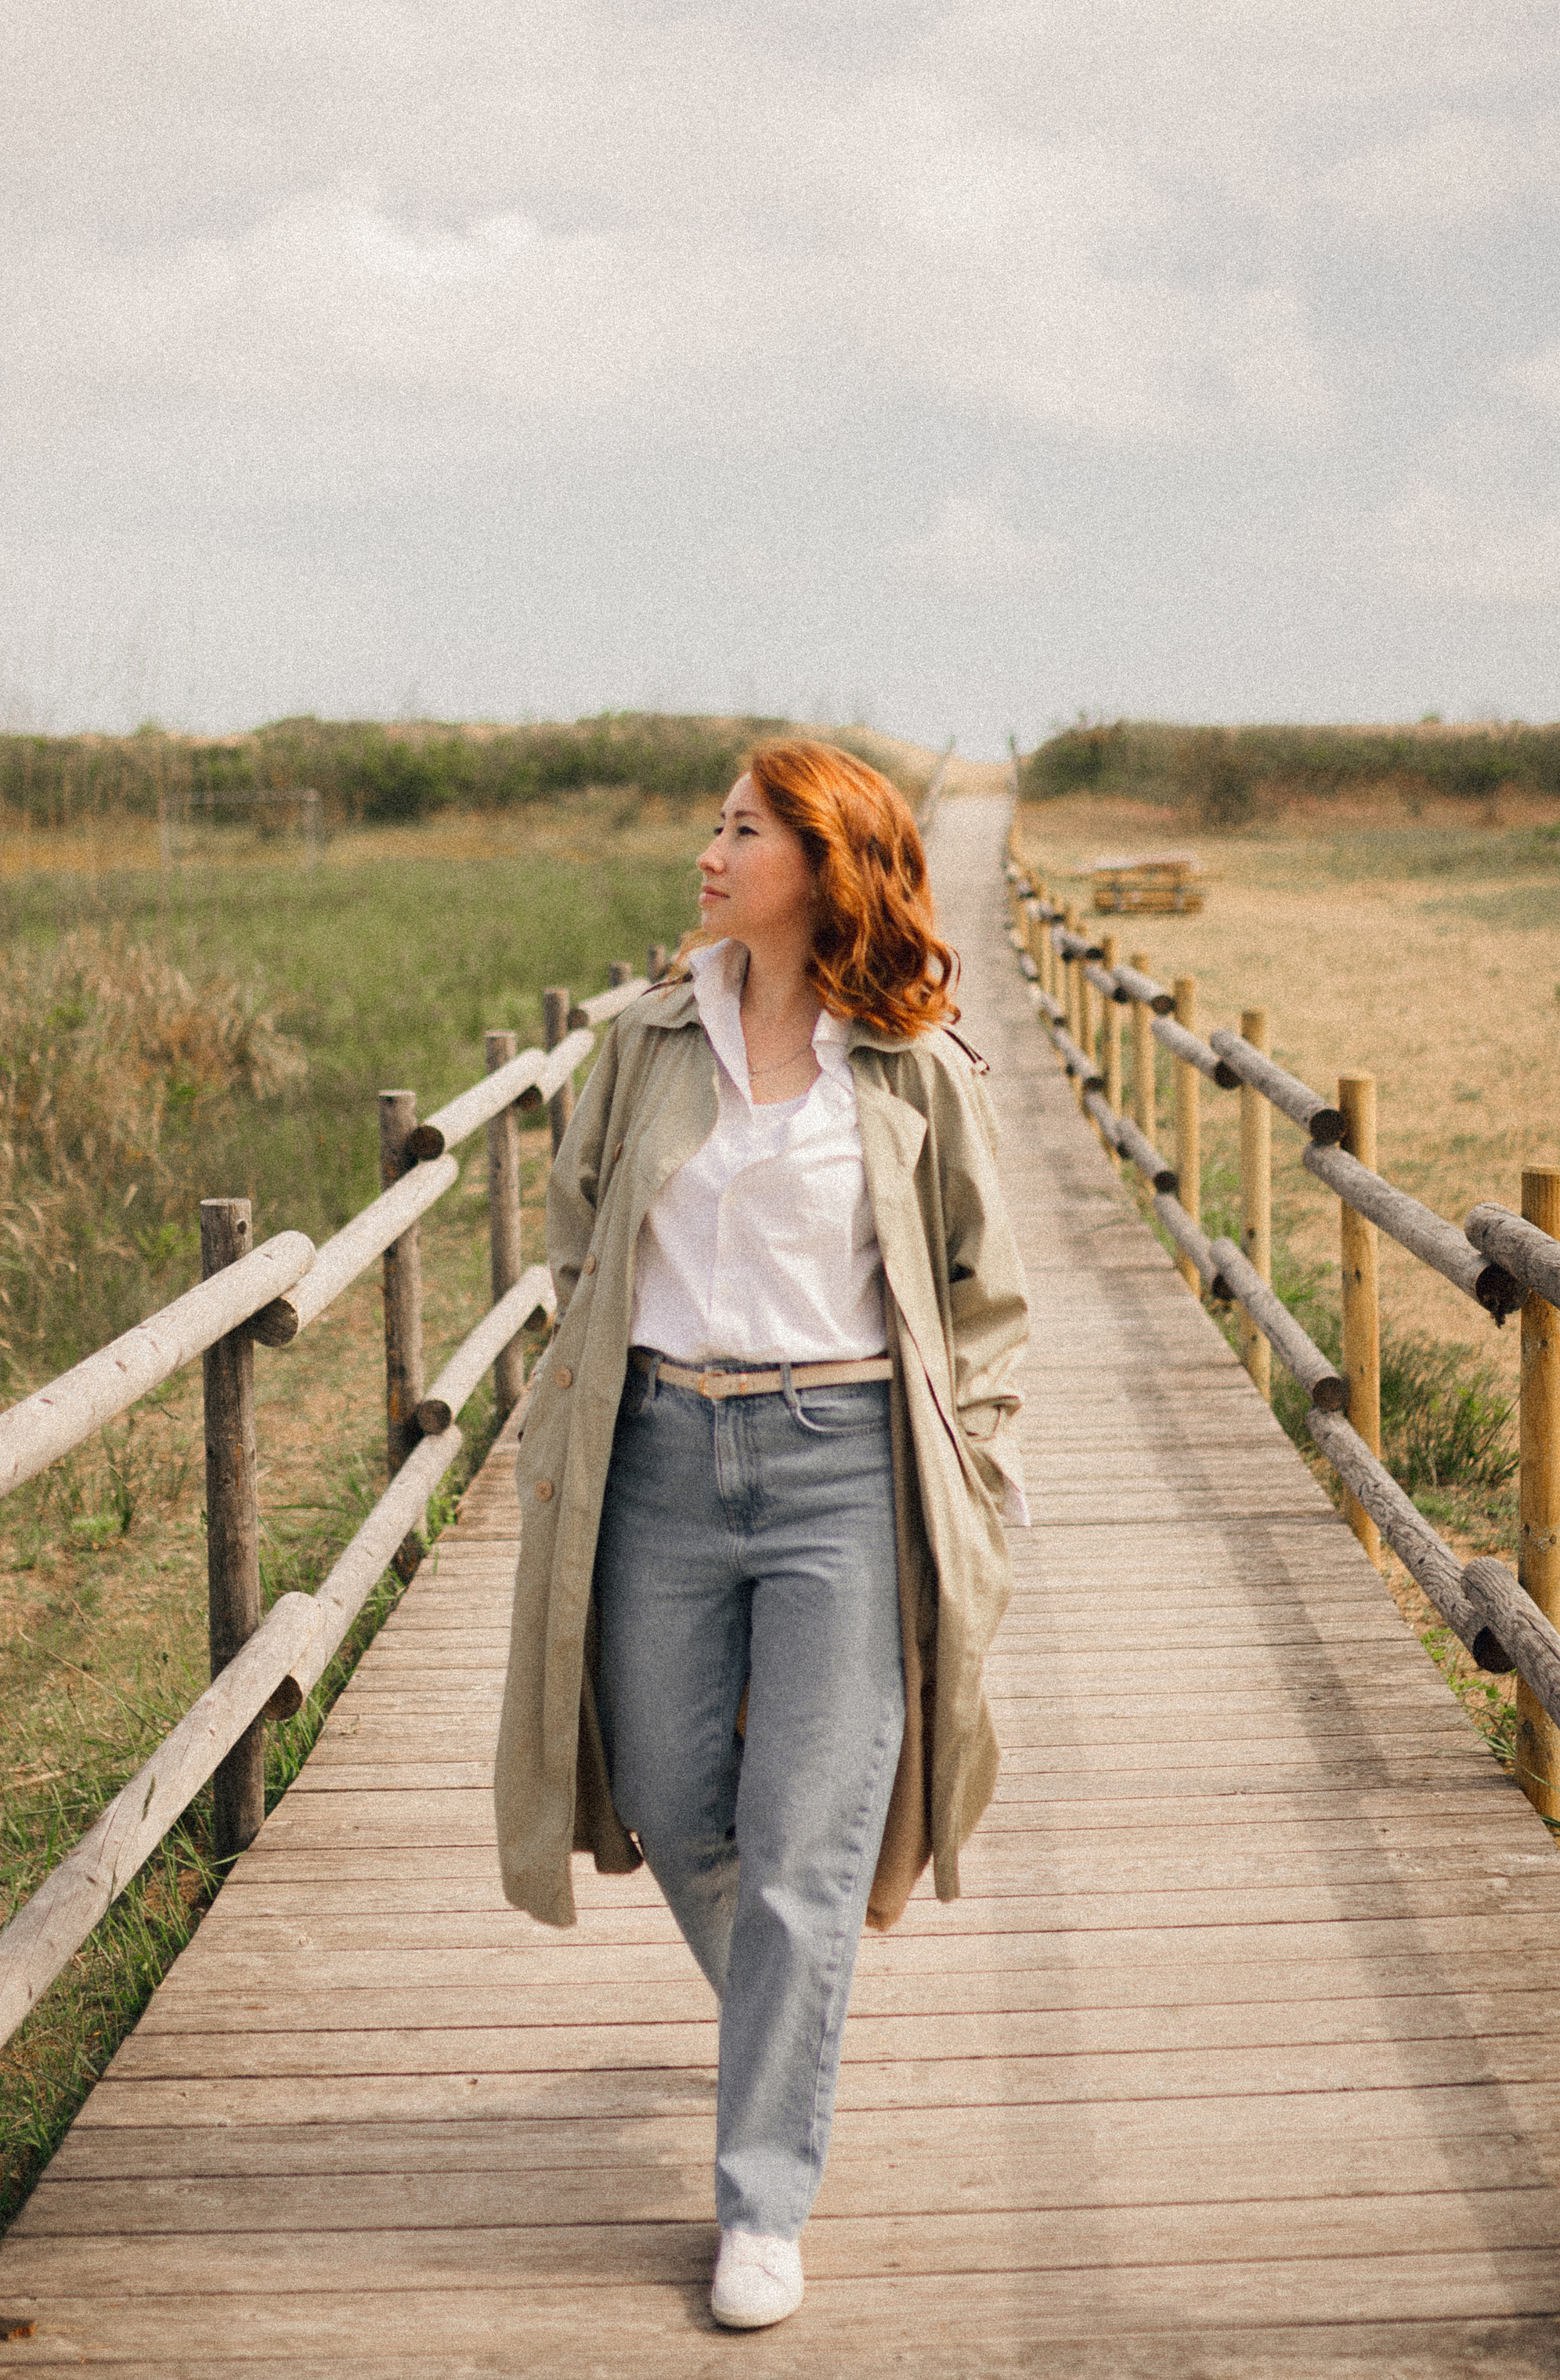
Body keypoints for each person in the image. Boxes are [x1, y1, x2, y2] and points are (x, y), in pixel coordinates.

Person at [494, 739, 1028, 2329]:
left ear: (822, 859)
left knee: (805, 1841)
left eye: (743, 829)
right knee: (668, 1792)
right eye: (716, 824)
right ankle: (789, 2032)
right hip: (657, 1451)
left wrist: (976, 1470)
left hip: (841, 1465)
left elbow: (986, 1294)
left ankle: (761, 2201)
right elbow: (587, 1230)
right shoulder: (650, 1040)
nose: (709, 850)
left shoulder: (913, 1059)